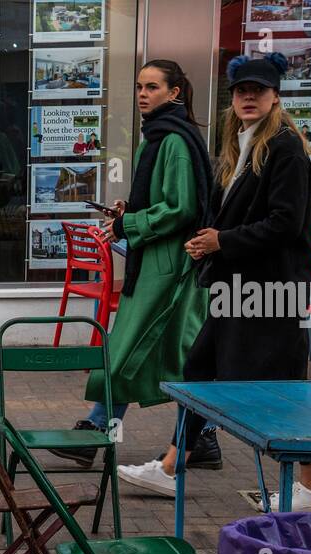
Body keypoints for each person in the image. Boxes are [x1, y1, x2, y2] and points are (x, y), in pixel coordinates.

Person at [118, 52, 311, 509]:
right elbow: (230, 214)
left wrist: (222, 242)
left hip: (273, 291)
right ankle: (172, 467)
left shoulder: (287, 148)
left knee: (277, 389)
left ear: (275, 97)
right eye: (240, 91)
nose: (248, 97)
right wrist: (206, 242)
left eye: (258, 90)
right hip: (238, 286)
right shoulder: (244, 144)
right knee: (200, 371)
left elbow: (286, 224)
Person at [52, 60, 215, 470]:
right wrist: (131, 210)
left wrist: (130, 222)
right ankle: (201, 438)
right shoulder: (158, 138)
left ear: (175, 92)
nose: (143, 94)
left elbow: (182, 208)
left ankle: (100, 431)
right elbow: (163, 200)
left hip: (170, 266)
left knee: (133, 352)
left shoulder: (173, 141)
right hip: (157, 262)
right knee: (166, 356)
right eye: (140, 86)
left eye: (153, 87)